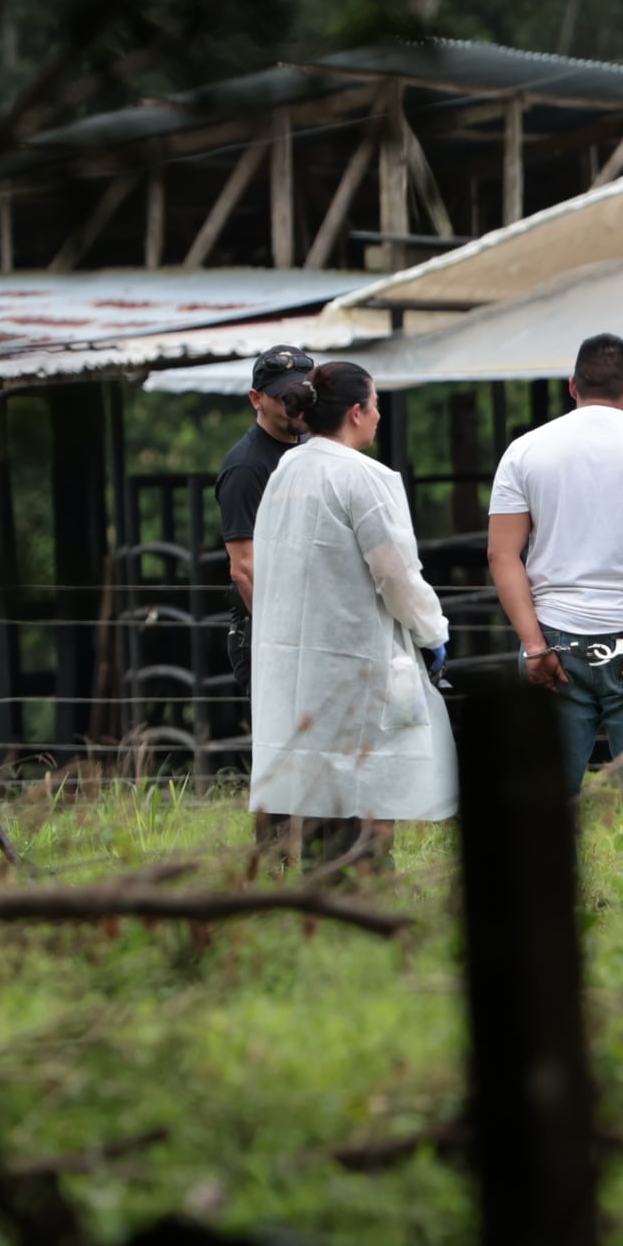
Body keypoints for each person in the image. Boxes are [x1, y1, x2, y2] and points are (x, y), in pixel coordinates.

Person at [488, 333, 623, 864]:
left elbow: (503, 556)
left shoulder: (526, 451)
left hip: (555, 638)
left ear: (572, 387)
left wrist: (534, 646)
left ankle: (541, 901)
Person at [250, 361, 456, 870]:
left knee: (318, 792)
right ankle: (359, 898)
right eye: (377, 405)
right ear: (358, 411)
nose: (380, 416)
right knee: (362, 797)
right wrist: (433, 633)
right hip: (353, 661)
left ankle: (324, 904)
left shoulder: (287, 471)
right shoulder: (364, 477)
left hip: (294, 668)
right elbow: (396, 575)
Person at [215, 344, 312, 707]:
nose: (297, 404)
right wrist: (282, 639)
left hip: (309, 622)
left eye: (305, 393)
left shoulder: (310, 448)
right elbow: (244, 569)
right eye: (285, 396)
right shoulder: (246, 467)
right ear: (257, 399)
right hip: (269, 629)